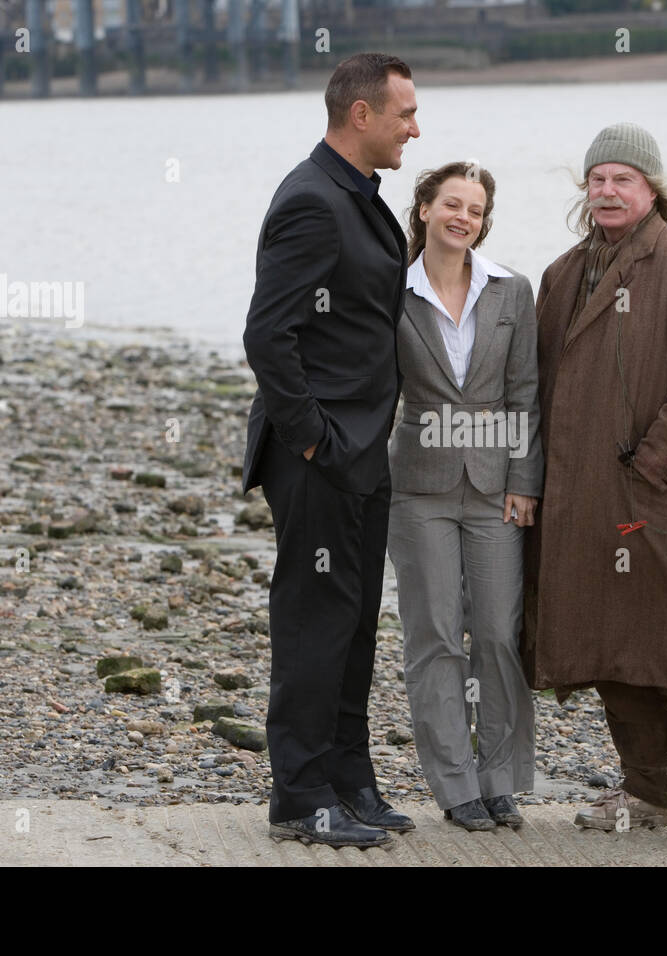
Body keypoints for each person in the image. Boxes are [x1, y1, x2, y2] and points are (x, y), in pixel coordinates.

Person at [523, 122, 667, 846]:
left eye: (623, 178)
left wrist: (653, 464)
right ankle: (648, 791)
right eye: (597, 179)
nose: (607, 190)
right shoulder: (562, 273)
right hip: (583, 496)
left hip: (662, 495)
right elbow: (535, 385)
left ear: (653, 189)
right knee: (614, 645)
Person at [241, 52, 420, 849]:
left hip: (362, 448)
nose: (415, 127)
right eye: (405, 114)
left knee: (351, 622)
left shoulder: (360, 195)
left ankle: (349, 781)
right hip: (322, 451)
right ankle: (300, 795)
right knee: (315, 621)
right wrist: (314, 438)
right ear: (361, 114)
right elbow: (266, 334)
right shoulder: (312, 200)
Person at [386, 162, 543, 831]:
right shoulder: (391, 290)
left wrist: (524, 483)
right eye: (451, 204)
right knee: (436, 638)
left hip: (494, 488)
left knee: (500, 638)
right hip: (417, 488)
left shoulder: (511, 291)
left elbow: (526, 394)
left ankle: (500, 778)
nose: (463, 218)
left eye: (474, 210)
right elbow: (371, 386)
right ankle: (454, 786)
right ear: (423, 209)